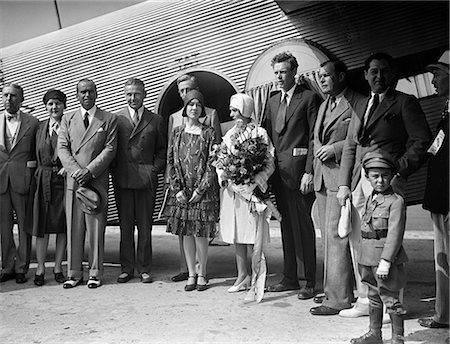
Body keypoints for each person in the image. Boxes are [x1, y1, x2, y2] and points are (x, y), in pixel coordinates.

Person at [337, 52, 432, 317]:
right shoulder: (362, 104)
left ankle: (392, 307)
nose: (379, 76)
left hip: (386, 183)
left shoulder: (404, 102)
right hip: (360, 183)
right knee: (361, 242)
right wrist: (344, 184)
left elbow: (421, 141)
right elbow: (349, 146)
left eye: (385, 71)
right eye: (374, 71)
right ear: (366, 75)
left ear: (394, 74)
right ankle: (367, 300)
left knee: (388, 243)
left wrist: (398, 171)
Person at [264, 51, 321, 299]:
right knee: (286, 227)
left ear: (294, 72)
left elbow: (313, 138)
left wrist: (309, 171)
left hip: (300, 175)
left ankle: (308, 280)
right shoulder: (272, 100)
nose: (279, 76)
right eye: (276, 72)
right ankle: (289, 278)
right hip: (278, 175)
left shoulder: (308, 99)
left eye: (283, 72)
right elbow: (265, 137)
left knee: (304, 228)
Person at [309, 61, 365, 315]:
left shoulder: (357, 102)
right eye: (319, 76)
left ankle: (339, 298)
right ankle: (333, 290)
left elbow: (359, 140)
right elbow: (316, 140)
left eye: (326, 76)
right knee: (329, 238)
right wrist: (310, 172)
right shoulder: (324, 104)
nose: (322, 80)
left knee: (337, 237)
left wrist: (335, 148)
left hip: (340, 176)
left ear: (341, 76)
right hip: (323, 178)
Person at [58, 78, 117, 289]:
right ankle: (73, 273)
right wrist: (76, 171)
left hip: (96, 181)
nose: (87, 95)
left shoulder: (108, 119)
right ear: (76, 95)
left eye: (90, 91)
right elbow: (62, 148)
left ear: (96, 93)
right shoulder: (67, 119)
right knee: (74, 228)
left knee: (96, 229)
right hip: (74, 182)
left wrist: (89, 171)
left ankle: (95, 272)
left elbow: (110, 149)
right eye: (82, 92)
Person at [216, 93, 275, 300]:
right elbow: (221, 160)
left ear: (245, 110)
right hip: (234, 193)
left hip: (253, 193)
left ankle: (256, 276)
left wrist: (256, 178)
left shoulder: (259, 133)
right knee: (237, 233)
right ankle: (242, 275)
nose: (232, 115)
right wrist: (225, 178)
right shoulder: (229, 134)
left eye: (235, 110)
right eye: (232, 110)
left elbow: (269, 161)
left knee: (253, 235)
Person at [168, 73, 222, 283]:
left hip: (202, 191)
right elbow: (171, 161)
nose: (194, 108)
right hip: (183, 191)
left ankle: (202, 273)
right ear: (185, 108)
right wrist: (177, 189)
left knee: (200, 234)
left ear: (202, 109)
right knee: (187, 234)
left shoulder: (208, 132)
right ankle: (190, 273)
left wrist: (201, 189)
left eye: (198, 105)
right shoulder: (177, 132)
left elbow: (213, 161)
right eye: (191, 105)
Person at [111, 78, 166, 284]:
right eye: (128, 94)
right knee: (125, 226)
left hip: (146, 179)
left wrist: (154, 170)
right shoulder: (117, 119)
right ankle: (126, 268)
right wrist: (115, 172)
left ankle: (144, 268)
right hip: (123, 179)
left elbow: (162, 150)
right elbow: (111, 149)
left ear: (144, 94)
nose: (132, 98)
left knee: (145, 226)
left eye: (136, 94)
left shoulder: (155, 119)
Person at [350, 150, 407, 344]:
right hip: (367, 256)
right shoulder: (371, 198)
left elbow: (395, 234)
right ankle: (375, 334)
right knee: (373, 297)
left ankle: (397, 338)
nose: (380, 181)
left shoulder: (396, 202)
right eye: (375, 176)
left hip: (384, 259)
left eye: (385, 176)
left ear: (392, 176)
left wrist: (387, 260)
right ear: (367, 177)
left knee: (390, 299)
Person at [418, 50, 449, 329]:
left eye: (438, 75)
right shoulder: (446, 109)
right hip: (441, 199)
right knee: (443, 262)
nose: (433, 82)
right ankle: (444, 315)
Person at [0, 83, 39, 284]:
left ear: (21, 99)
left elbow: (36, 153)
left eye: (13, 96)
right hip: (1, 182)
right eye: (6, 95)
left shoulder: (33, 123)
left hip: (22, 180)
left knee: (24, 226)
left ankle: (22, 267)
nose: (9, 99)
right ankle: (7, 266)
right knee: (3, 226)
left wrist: (31, 175)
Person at [29, 89, 68, 286]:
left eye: (58, 103)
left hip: (63, 181)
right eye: (51, 104)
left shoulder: (69, 126)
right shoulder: (39, 127)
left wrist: (67, 168)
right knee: (41, 225)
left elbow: (75, 151)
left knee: (62, 226)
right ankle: (41, 267)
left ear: (64, 106)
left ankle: (59, 266)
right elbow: (31, 156)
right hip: (42, 181)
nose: (54, 107)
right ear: (46, 106)